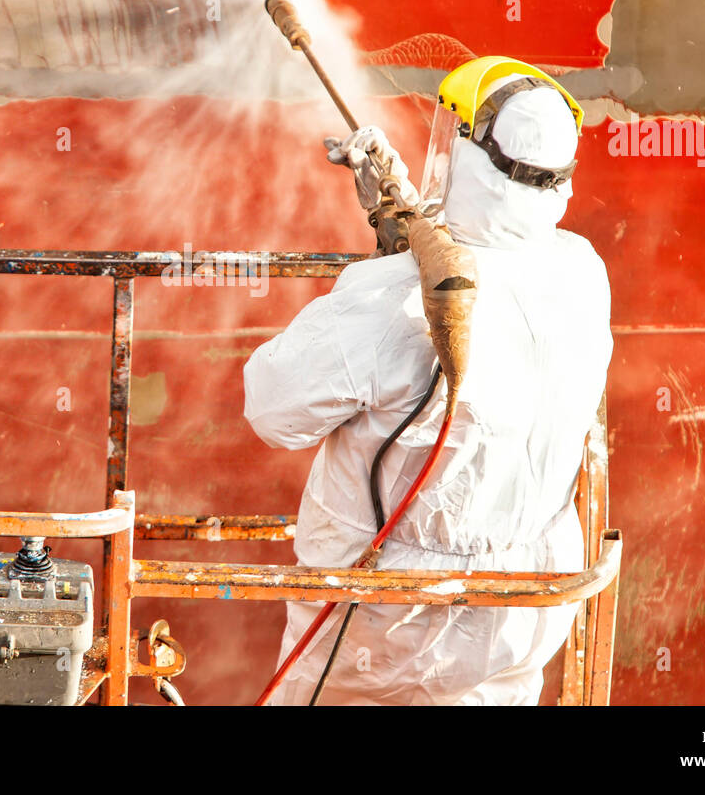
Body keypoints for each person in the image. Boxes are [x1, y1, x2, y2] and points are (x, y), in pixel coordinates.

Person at [243, 57, 613, 705]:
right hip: (520, 614)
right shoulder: (580, 272)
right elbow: (485, 279)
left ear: (463, 156)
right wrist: (405, 228)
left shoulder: (387, 303)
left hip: (388, 627)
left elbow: (272, 409)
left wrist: (390, 267)